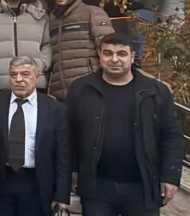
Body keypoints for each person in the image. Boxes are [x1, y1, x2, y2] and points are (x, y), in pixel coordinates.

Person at [67, 33, 184, 216]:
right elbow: (69, 135)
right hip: (97, 187)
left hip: (142, 185)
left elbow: (172, 136)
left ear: (132, 56)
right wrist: (72, 170)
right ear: (99, 55)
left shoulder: (155, 91)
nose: (114, 59)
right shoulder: (81, 89)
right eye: (108, 53)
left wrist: (170, 176)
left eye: (121, 53)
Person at [0, 56, 71, 216]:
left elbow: (62, 155)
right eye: (13, 74)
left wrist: (62, 195)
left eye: (25, 74)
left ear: (37, 77)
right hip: (0, 182)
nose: (18, 79)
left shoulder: (55, 109)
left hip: (36, 183)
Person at [47, 0, 114, 100]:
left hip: (90, 90)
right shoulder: (51, 19)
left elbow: (109, 49)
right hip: (60, 94)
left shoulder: (92, 12)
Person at [0, 0, 52, 92]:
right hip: (1, 82)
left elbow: (47, 44)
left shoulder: (39, 14)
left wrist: (41, 65)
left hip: (33, 82)